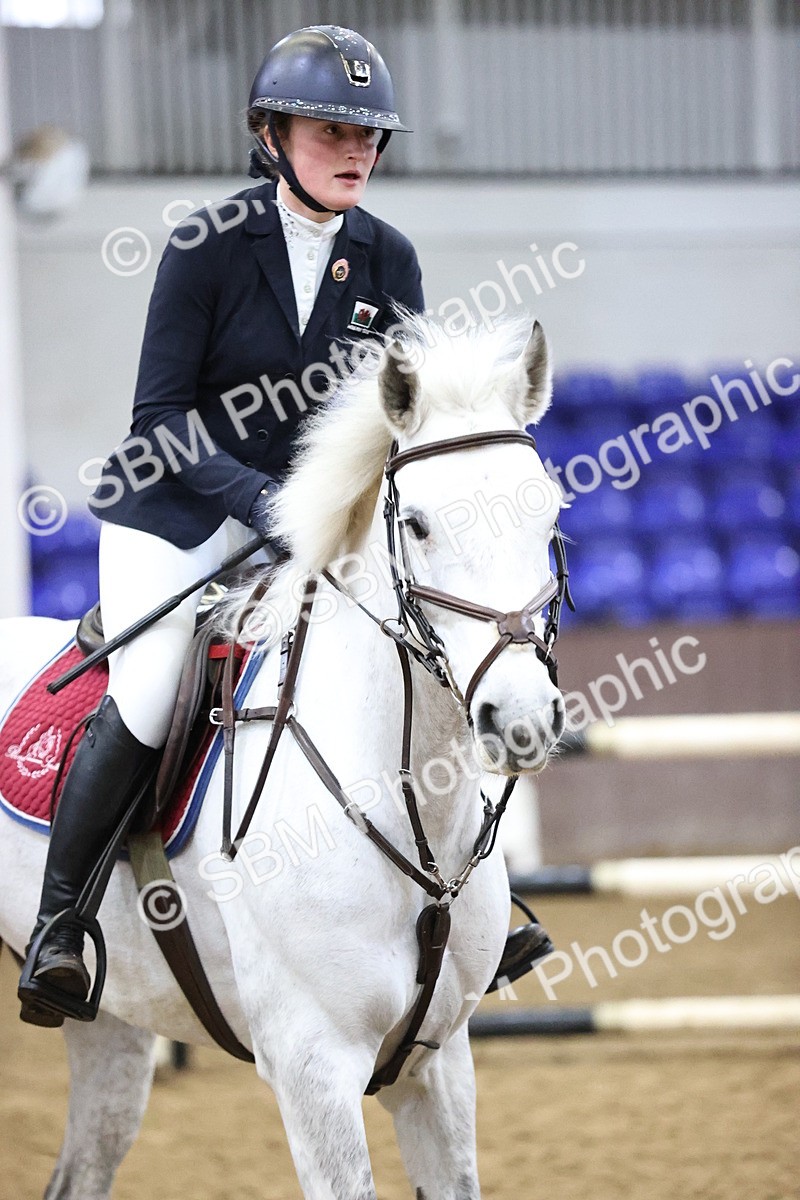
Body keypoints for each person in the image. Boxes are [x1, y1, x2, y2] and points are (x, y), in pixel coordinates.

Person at [19, 24, 551, 1028]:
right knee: (149, 683)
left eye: (370, 135)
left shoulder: (387, 258)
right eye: (331, 129)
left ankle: (480, 895)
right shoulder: (206, 247)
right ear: (271, 134)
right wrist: (262, 506)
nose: (357, 150)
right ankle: (61, 925)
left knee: (418, 657)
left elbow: (409, 413)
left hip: (312, 526)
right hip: (175, 512)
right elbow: (159, 418)